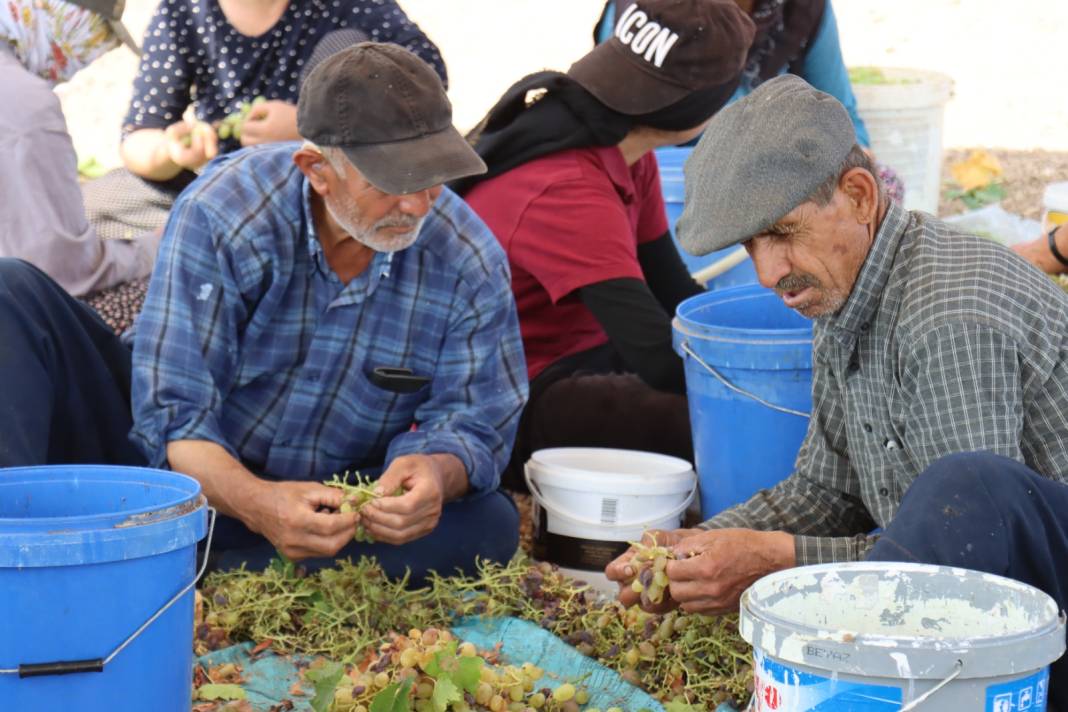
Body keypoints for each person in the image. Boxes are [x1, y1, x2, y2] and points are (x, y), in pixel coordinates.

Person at [606, 75, 1068, 705]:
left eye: (783, 233)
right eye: (750, 244)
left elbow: (968, 572)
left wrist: (773, 562)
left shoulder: (947, 317)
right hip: (995, 592)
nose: (768, 272)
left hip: (1038, 613)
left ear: (858, 196)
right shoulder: (840, 292)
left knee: (963, 487)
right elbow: (826, 489)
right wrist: (700, 546)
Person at [0, 42, 528, 585]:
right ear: (317, 170)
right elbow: (174, 414)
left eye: (431, 175)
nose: (418, 204)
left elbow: (475, 419)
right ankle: (19, 550)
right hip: (163, 473)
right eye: (392, 182)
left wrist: (436, 472)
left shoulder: (468, 258)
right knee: (9, 291)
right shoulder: (224, 210)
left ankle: (200, 569)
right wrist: (254, 502)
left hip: (327, 500)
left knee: (488, 525)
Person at [457, 0, 755, 487]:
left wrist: (756, 345)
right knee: (724, 422)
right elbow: (658, 358)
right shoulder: (567, 185)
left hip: (576, 356)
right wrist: (769, 388)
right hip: (501, 403)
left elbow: (672, 289)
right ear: (702, 108)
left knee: (727, 402)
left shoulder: (622, 147)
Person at [81, 0, 446, 247]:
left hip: (323, 189)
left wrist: (312, 123)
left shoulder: (342, 5)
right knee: (95, 205)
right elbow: (139, 134)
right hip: (218, 188)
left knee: (345, 48)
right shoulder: (186, 10)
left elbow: (427, 73)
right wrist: (171, 150)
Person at [0, 0, 158, 297]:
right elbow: (60, 267)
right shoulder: (23, 104)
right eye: (93, 39)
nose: (82, 63)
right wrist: (154, 248)